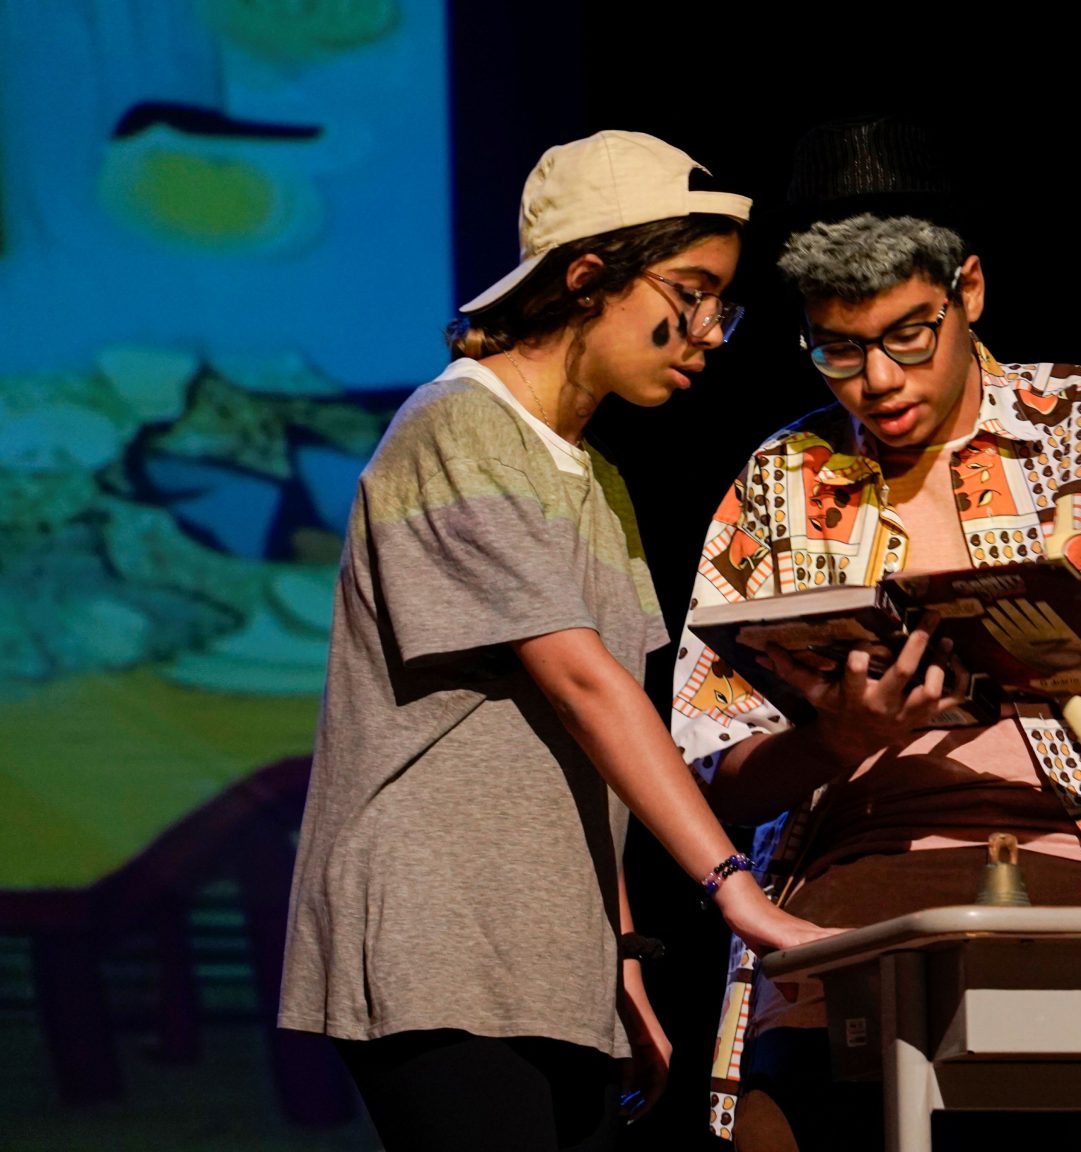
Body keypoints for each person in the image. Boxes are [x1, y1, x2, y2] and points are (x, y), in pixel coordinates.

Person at [667, 116, 1081, 1149]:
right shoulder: (780, 480)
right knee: (789, 1111)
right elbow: (710, 775)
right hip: (850, 875)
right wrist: (839, 738)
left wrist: (1066, 648)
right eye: (838, 349)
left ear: (967, 292)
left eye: (908, 336)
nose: (878, 381)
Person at [277, 130, 834, 1152]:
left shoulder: (597, 476)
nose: (710, 332)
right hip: (441, 929)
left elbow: (589, 746)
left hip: (550, 946)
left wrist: (616, 956)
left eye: (722, 303)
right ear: (587, 278)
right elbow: (581, 682)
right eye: (690, 294)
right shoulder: (457, 428)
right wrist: (735, 891)